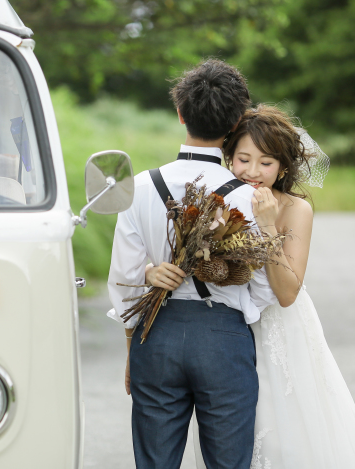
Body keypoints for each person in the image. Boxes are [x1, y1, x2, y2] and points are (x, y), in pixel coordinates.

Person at [146, 105, 355, 468]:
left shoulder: (295, 209)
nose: (253, 172)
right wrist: (151, 271)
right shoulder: (216, 198)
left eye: (266, 163)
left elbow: (288, 293)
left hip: (279, 332)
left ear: (284, 168)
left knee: (285, 436)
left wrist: (268, 225)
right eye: (243, 159)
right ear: (228, 158)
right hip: (227, 332)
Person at [107, 59, 277, 469]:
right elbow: (263, 291)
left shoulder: (140, 187)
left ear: (180, 114)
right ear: (237, 121)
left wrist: (135, 349)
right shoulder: (249, 199)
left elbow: (126, 280)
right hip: (224, 341)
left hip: (155, 336)